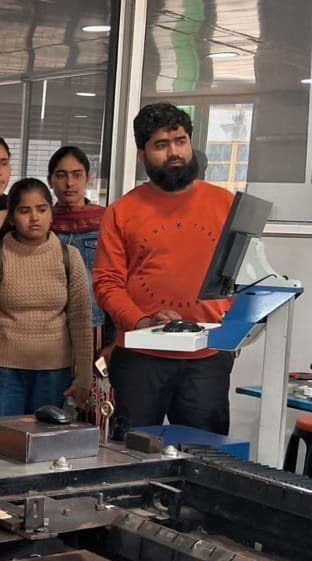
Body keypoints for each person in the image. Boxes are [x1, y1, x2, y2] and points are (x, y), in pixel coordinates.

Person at [93, 103, 235, 434]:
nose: (174, 152)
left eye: (181, 141)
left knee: (206, 460)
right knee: (132, 457)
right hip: (141, 356)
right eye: (161, 145)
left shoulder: (225, 204)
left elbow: (242, 273)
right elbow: (107, 282)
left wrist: (229, 329)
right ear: (142, 154)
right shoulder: (121, 212)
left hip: (207, 356)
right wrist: (142, 323)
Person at [0, 179, 93, 417]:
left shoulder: (69, 256)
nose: (34, 217)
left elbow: (81, 319)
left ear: (51, 214)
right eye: (24, 210)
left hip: (54, 371)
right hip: (2, 370)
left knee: (44, 443)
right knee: (2, 441)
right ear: (11, 217)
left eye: (42, 209)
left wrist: (84, 376)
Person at [49, 146, 109, 334]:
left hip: (94, 323)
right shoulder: (41, 223)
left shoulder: (106, 221)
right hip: (49, 325)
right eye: (61, 175)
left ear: (88, 179)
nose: (69, 183)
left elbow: (115, 281)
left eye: (77, 175)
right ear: (50, 180)